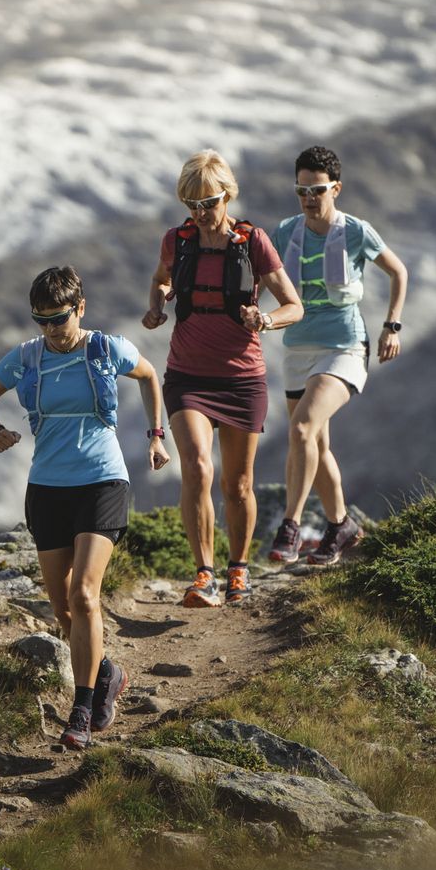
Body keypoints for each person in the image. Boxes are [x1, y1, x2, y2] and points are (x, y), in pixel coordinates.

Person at [0, 266, 171, 751]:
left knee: (84, 595)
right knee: (63, 608)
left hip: (102, 482)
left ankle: (80, 711)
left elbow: (149, 376)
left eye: (58, 318)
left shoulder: (106, 349)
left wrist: (156, 435)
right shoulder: (26, 357)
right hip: (47, 487)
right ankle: (107, 673)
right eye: (40, 320)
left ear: (80, 308)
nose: (50, 329)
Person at [143, 150, 303, 607]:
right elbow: (160, 280)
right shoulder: (177, 240)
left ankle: (238, 569)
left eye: (208, 203)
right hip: (187, 375)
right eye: (191, 204)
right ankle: (204, 574)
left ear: (227, 196)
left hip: (241, 379)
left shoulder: (253, 242)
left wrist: (265, 321)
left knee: (238, 485)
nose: (200, 213)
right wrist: (157, 304)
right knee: (197, 467)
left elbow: (294, 305)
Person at [264, 145, 409, 566]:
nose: (309, 198)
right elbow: (262, 279)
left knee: (301, 430)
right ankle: (341, 525)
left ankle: (290, 527)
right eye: (302, 191)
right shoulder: (286, 232)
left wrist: (392, 325)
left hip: (345, 347)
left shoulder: (356, 231)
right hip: (297, 350)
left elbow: (398, 271)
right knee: (316, 443)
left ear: (336, 189)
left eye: (318, 190)